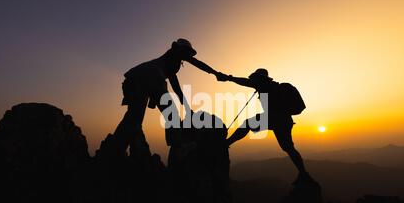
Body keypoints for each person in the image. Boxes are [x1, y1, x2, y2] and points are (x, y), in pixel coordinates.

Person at [187, 57, 312, 185]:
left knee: (247, 124)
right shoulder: (273, 86)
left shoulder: (263, 84)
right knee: (289, 148)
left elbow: (245, 82)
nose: (253, 80)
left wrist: (228, 77)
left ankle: (226, 143)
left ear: (260, 78)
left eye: (255, 78)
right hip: (284, 121)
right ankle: (303, 173)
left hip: (273, 118)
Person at [107, 39, 196, 158]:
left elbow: (176, 87)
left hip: (134, 78)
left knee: (133, 119)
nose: (187, 56)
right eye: (186, 52)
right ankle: (178, 146)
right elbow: (177, 86)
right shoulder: (173, 58)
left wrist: (185, 105)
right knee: (171, 113)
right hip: (151, 77)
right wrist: (187, 107)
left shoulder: (168, 60)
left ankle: (115, 150)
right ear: (180, 49)